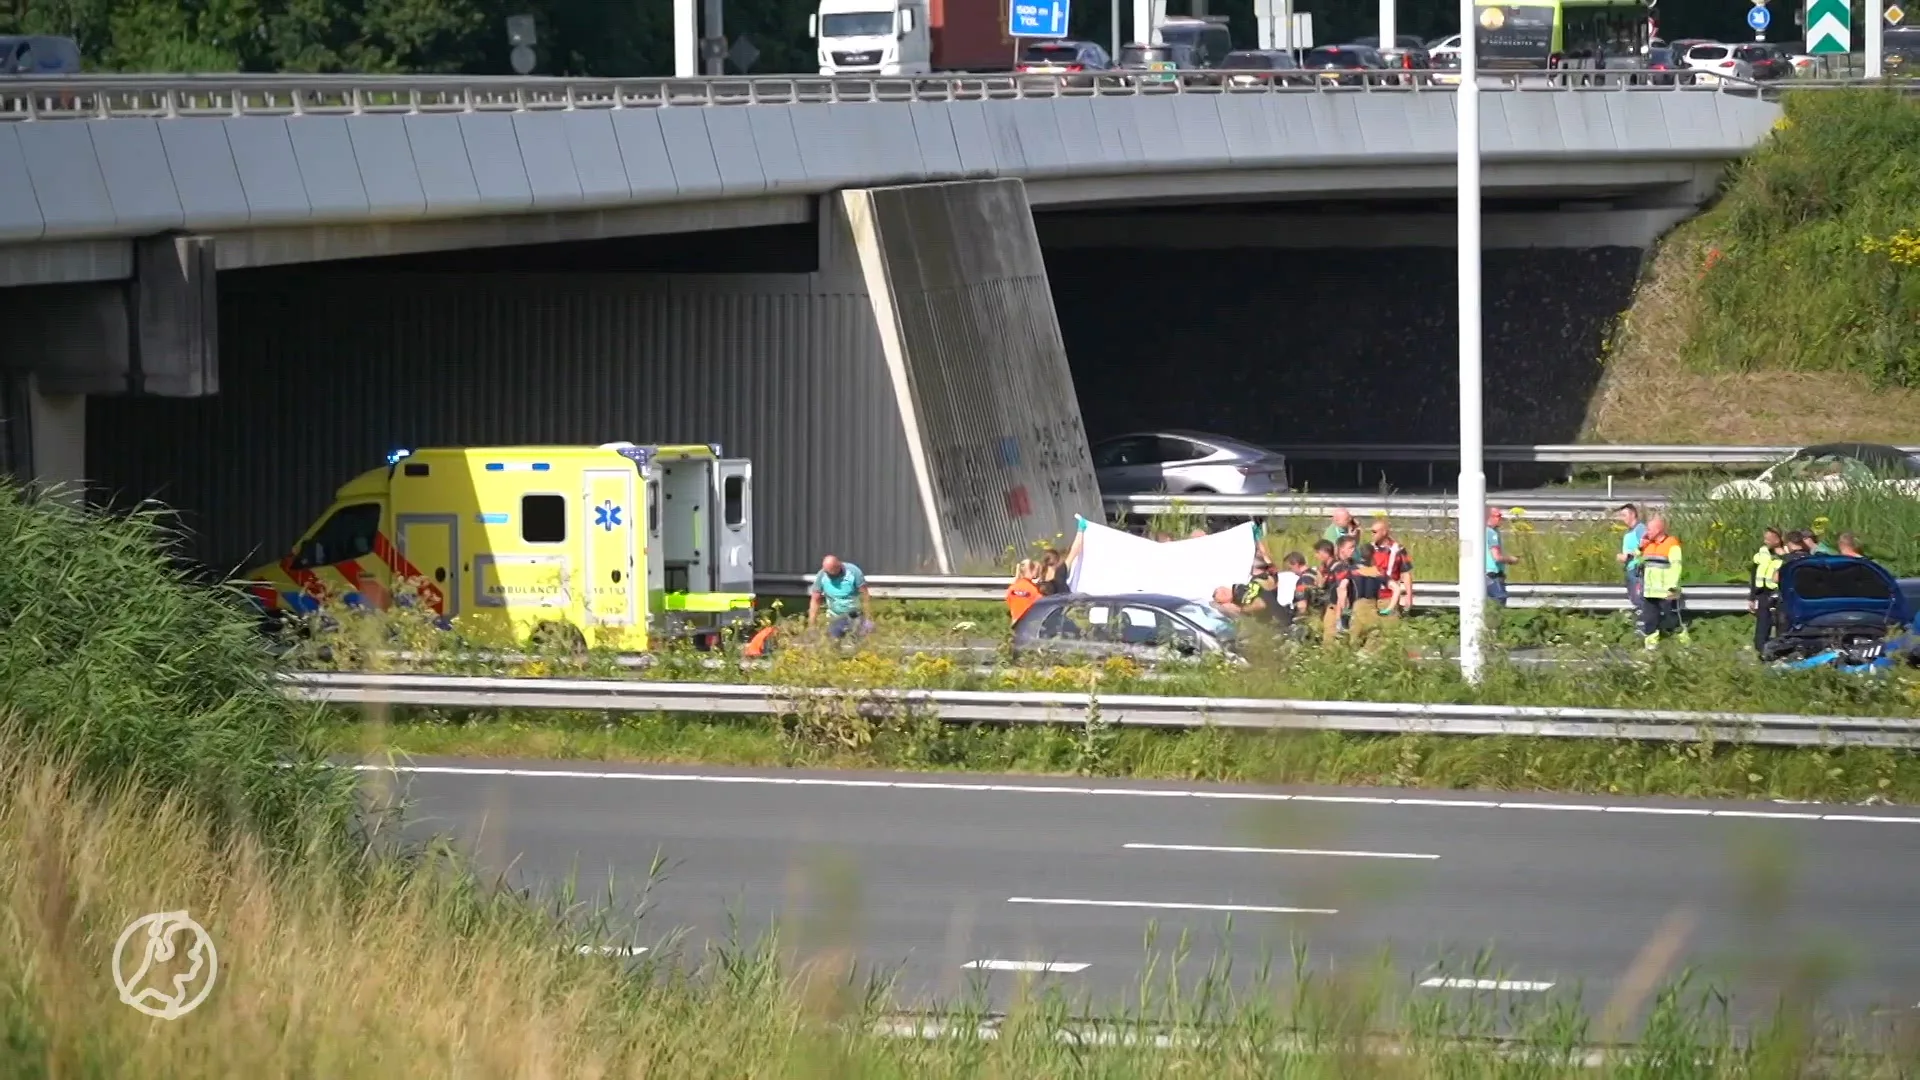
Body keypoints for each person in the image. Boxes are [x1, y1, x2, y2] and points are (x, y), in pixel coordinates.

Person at [1636, 516, 1689, 649]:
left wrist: (1672, 587)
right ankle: (1651, 648)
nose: (1647, 532)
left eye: (1649, 529)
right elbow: (1638, 561)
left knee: (1672, 620)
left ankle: (1685, 645)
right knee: (1650, 620)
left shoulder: (1672, 544)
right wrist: (1640, 548)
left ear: (1659, 529)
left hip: (1666, 591)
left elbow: (1676, 566)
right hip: (1649, 591)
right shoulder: (1649, 545)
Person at [808, 554, 873, 640]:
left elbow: (864, 595)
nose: (830, 576)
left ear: (839, 566)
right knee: (834, 641)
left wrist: (868, 615)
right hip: (835, 617)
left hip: (856, 615)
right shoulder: (822, 575)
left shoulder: (854, 572)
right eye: (827, 573)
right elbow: (815, 599)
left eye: (833, 574)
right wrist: (812, 624)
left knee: (868, 633)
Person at [1343, 538, 1388, 647]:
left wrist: (1344, 607)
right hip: (1372, 607)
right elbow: (1395, 588)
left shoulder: (1352, 570)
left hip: (1358, 607)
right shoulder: (1378, 571)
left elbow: (1343, 587)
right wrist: (1388, 608)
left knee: (1354, 642)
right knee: (1373, 643)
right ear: (1373, 555)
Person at [1749, 527, 1786, 653]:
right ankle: (1761, 650)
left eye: (1769, 539)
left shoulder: (1786, 555)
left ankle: (1781, 650)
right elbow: (1754, 575)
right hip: (1763, 593)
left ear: (1777, 539)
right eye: (1765, 538)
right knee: (1763, 624)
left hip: (1779, 594)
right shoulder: (1761, 554)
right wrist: (1752, 597)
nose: (1765, 541)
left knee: (1781, 624)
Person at [1367, 518, 1413, 615]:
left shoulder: (1398, 549)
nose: (1372, 534)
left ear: (1384, 532)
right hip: (1371, 597)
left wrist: (1409, 596)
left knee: (1388, 624)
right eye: (1371, 532)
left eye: (1375, 532)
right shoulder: (1368, 548)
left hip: (1389, 596)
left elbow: (1405, 573)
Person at [1485, 508, 1519, 608]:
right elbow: (1497, 557)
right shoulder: (1491, 533)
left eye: (1500, 517)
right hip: (1492, 574)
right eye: (1497, 517)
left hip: (1489, 574)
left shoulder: (1488, 531)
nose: (1500, 519)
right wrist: (1511, 559)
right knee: (1499, 600)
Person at [1615, 503, 1646, 613]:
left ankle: (1645, 623)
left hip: (1638, 569)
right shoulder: (1629, 532)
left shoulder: (1640, 529)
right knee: (1633, 597)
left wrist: (1628, 556)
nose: (1622, 519)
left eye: (1624, 515)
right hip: (1630, 569)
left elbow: (1645, 546)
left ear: (1632, 514)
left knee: (1639, 598)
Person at [1007, 559, 1043, 625]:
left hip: (1015, 624)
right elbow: (1041, 607)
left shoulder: (1012, 588)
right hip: (1028, 625)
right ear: (1032, 570)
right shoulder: (1034, 590)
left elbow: (1009, 602)